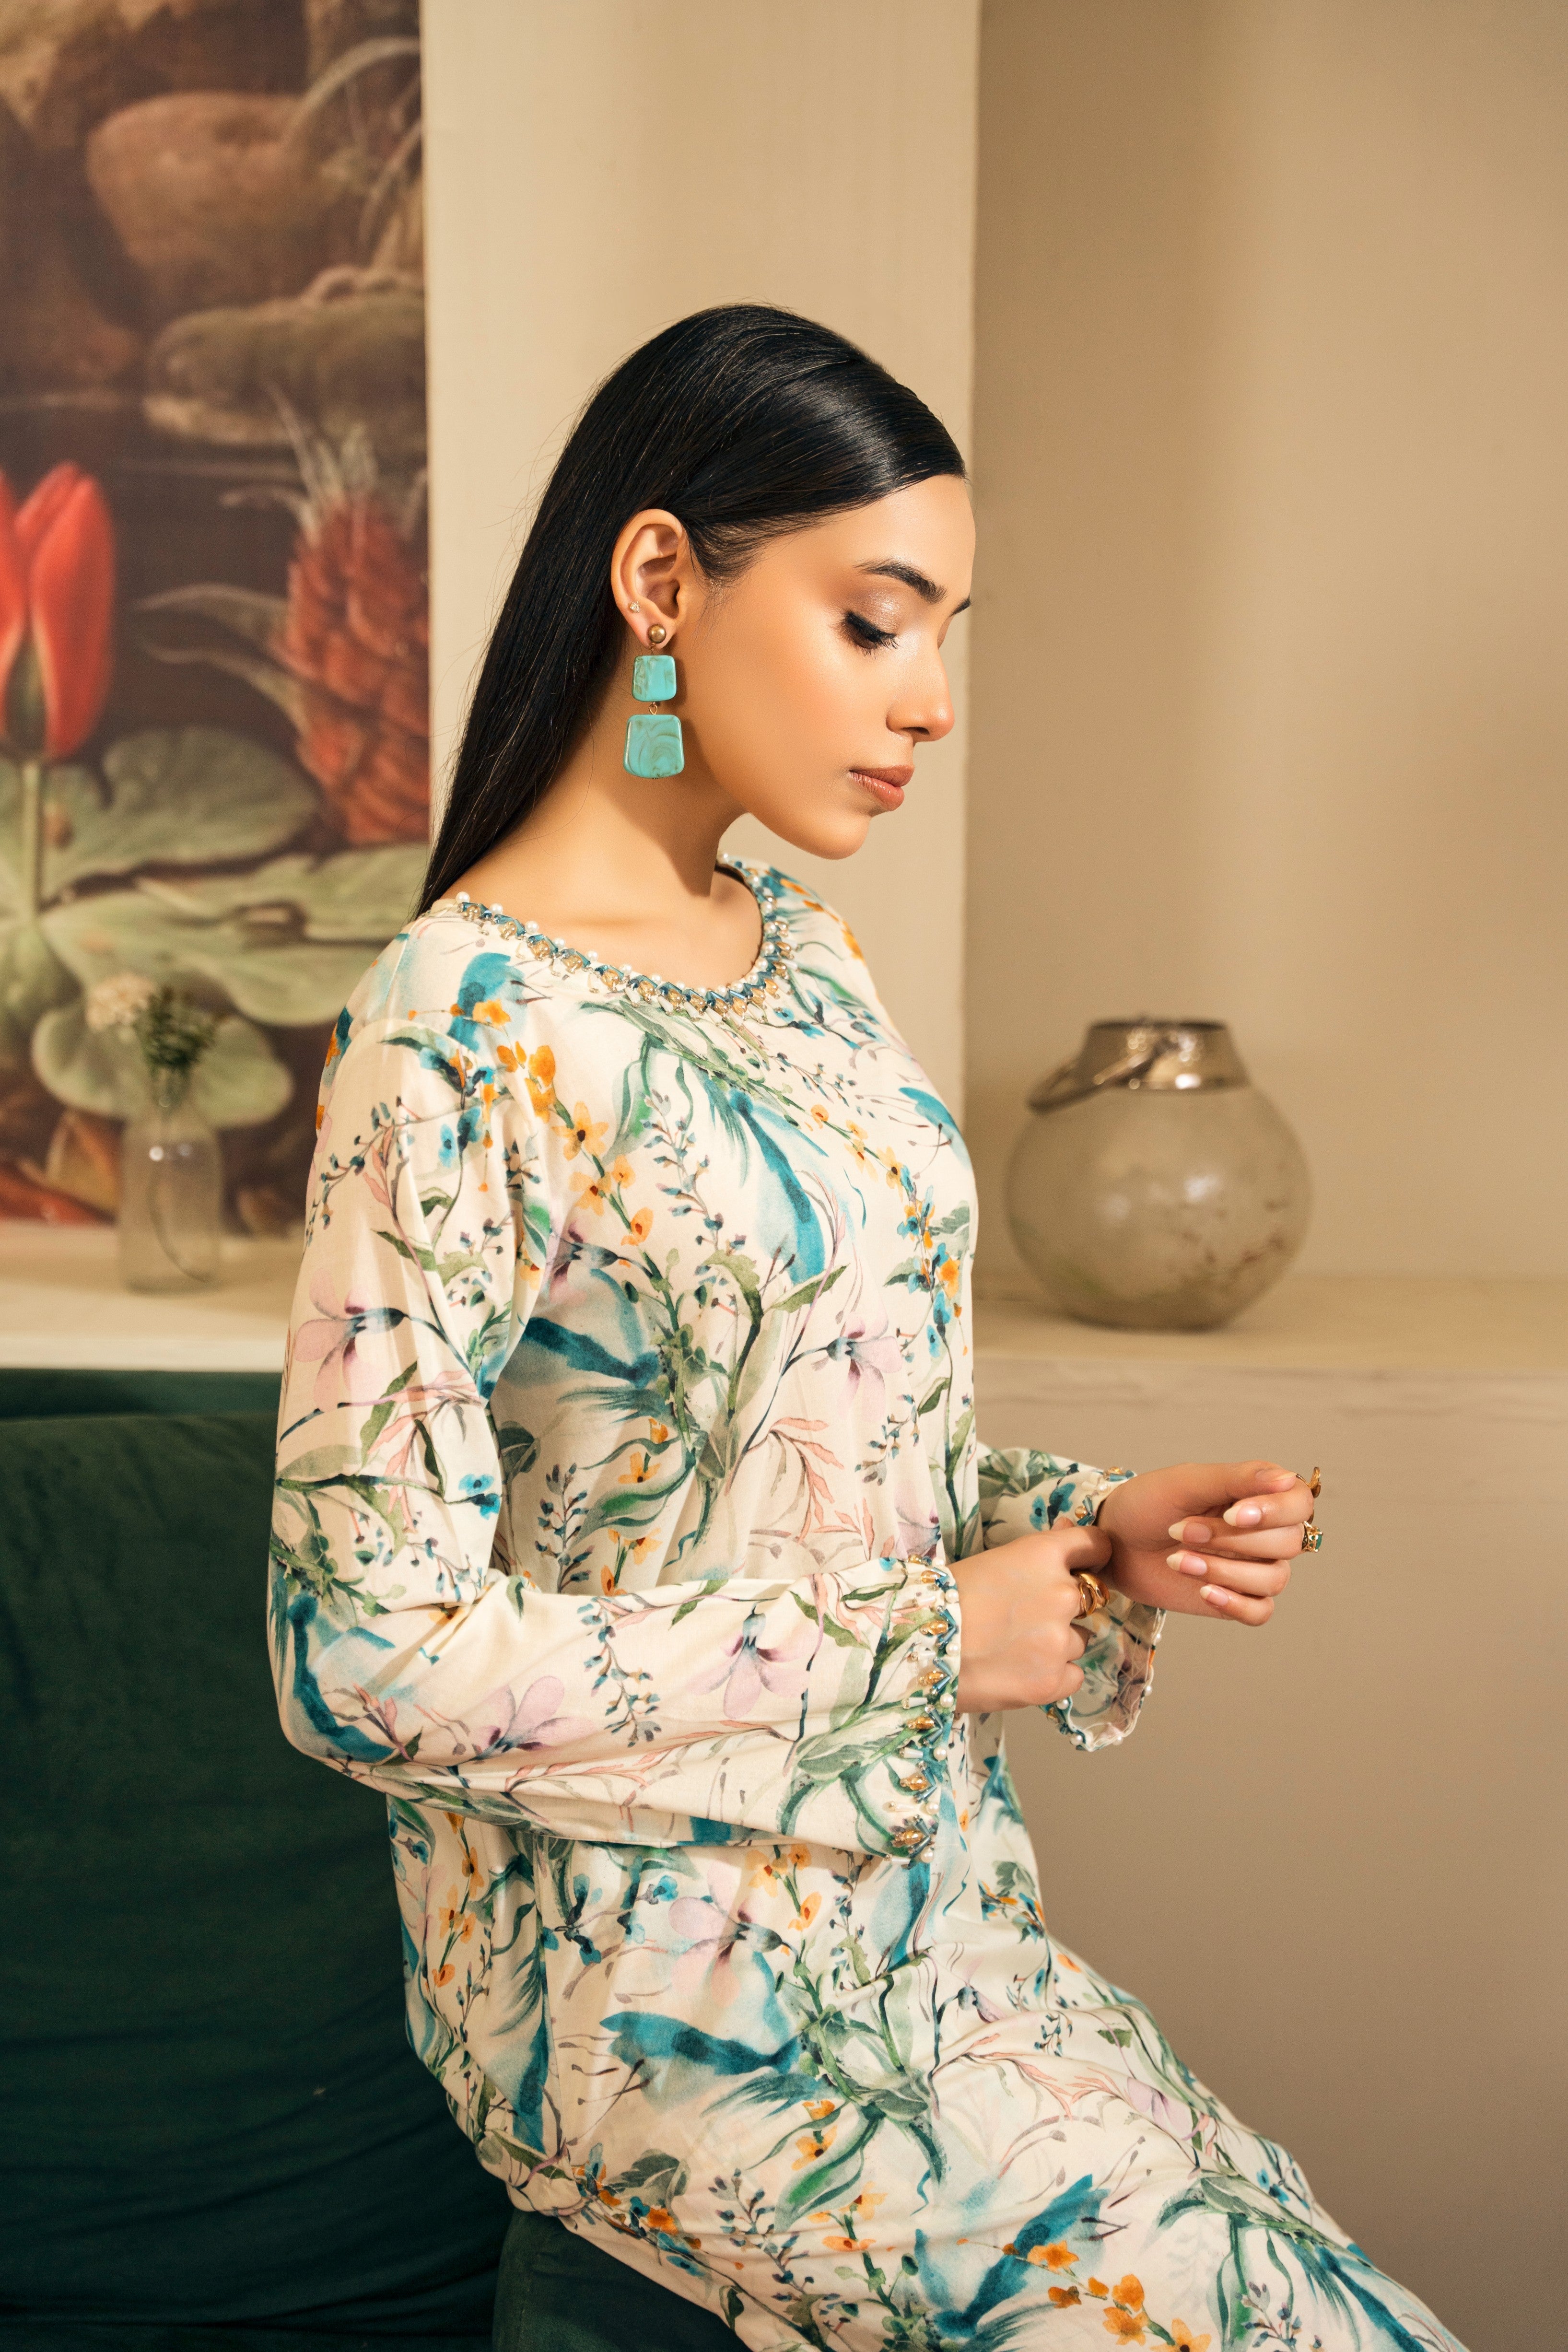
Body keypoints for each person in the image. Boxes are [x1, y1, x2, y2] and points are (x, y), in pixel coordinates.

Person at [271, 306, 1461, 2352]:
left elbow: (791, 1460)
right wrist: (930, 1639)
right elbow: (358, 1656)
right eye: (872, 621)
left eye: (945, 634)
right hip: (674, 2006)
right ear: (662, 580)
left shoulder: (805, 963)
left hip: (935, 1925)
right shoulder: (457, 1029)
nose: (929, 701)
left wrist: (1074, 1536)